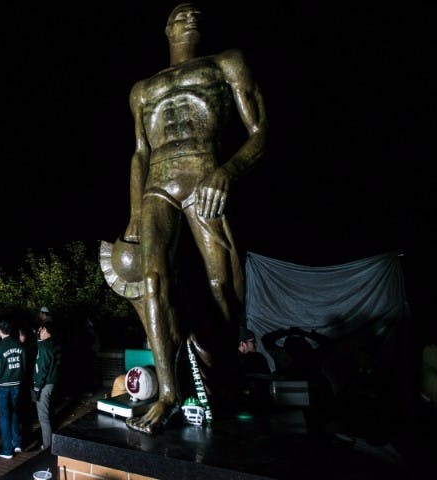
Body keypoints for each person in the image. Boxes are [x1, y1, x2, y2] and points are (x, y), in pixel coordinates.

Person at [110, 2, 267, 434]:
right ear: (166, 28)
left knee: (223, 287)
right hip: (158, 184)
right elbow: (140, 152)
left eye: (197, 13)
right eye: (181, 14)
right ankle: (167, 395)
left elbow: (260, 133)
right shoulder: (142, 89)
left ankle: (222, 376)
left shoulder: (226, 63)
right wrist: (134, 214)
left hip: (205, 174)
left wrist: (227, 172)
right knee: (153, 280)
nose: (191, 17)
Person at [0, 318, 27, 459]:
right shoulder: (20, 345)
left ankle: (7, 449)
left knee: (4, 416)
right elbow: (24, 365)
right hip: (17, 384)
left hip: (3, 385)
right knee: (15, 412)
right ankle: (17, 442)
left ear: (0, 331)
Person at [32, 321, 59, 450]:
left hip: (45, 384)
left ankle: (47, 446)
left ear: (47, 331)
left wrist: (37, 387)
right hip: (51, 382)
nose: (40, 332)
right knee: (49, 414)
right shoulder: (51, 344)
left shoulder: (44, 348)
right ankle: (50, 442)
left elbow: (41, 368)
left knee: (43, 417)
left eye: (42, 330)